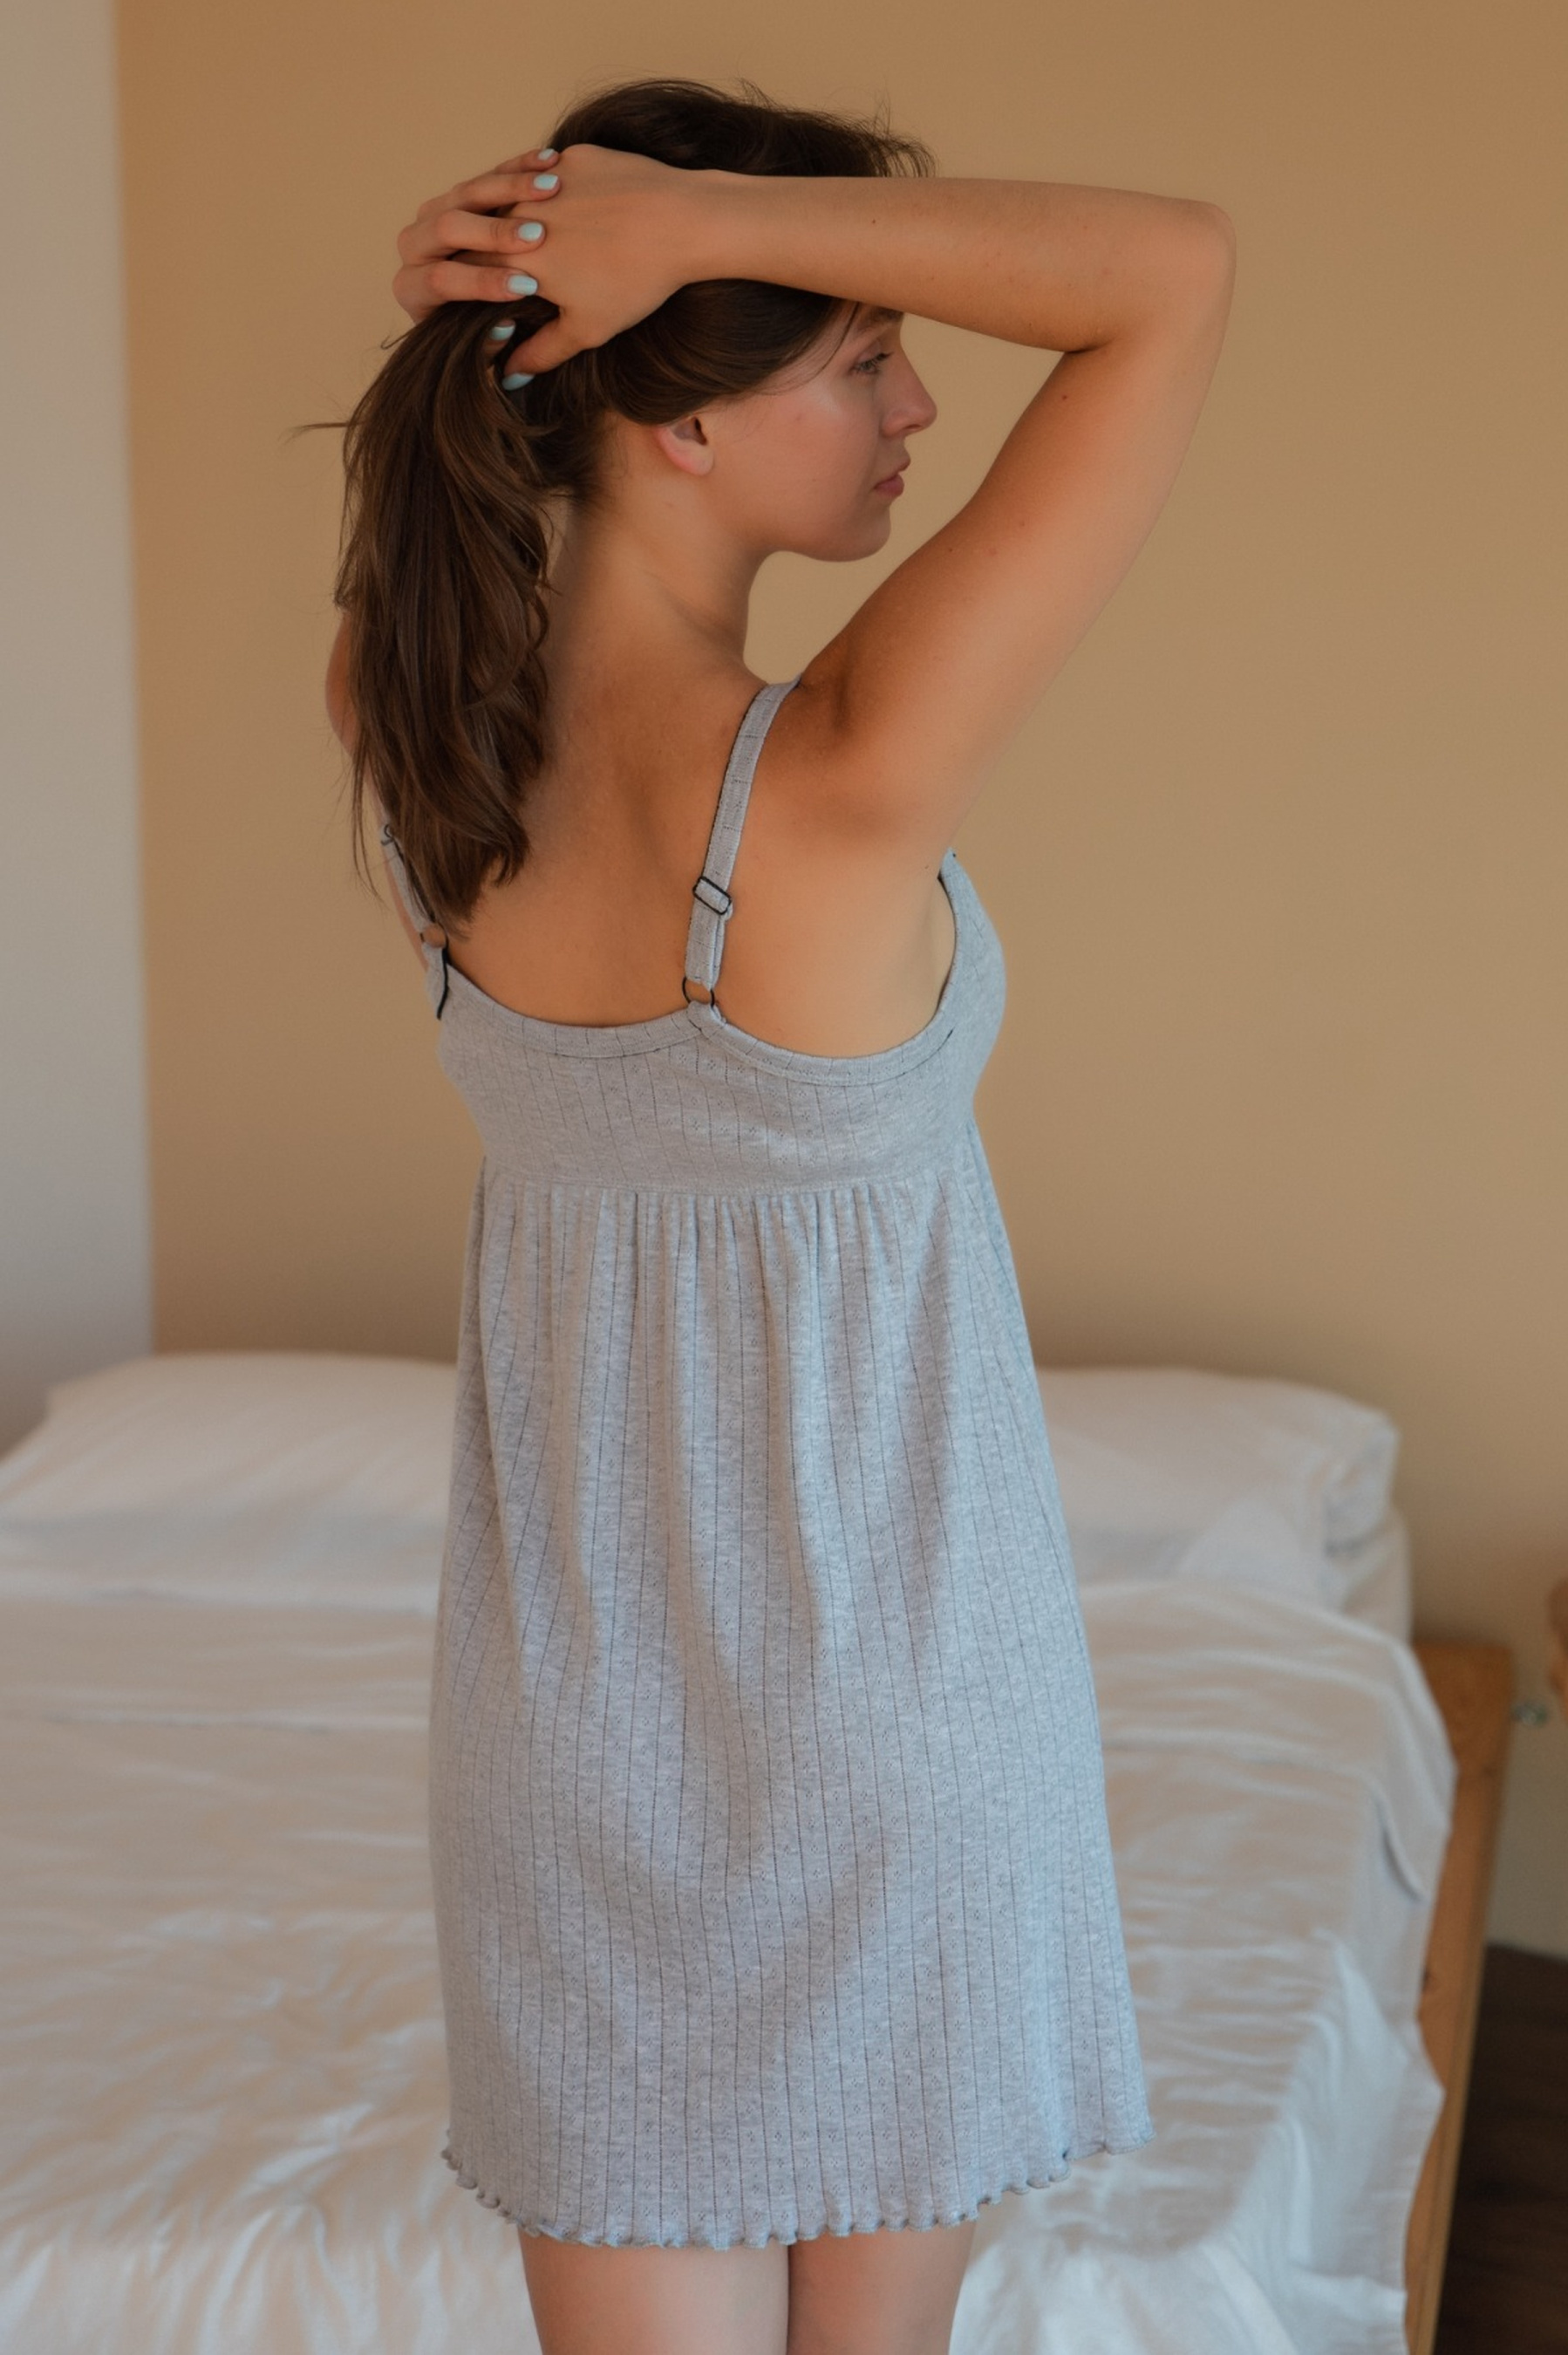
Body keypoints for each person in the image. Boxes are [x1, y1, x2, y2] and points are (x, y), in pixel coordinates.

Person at [324, 73, 1234, 2355]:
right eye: (858, 356)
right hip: (898, 1734)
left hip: (569, 1759)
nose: (917, 402)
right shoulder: (833, 782)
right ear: (681, 420)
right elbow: (1170, 277)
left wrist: (590, 270)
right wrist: (696, 222)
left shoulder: (411, 737)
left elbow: (440, 522)